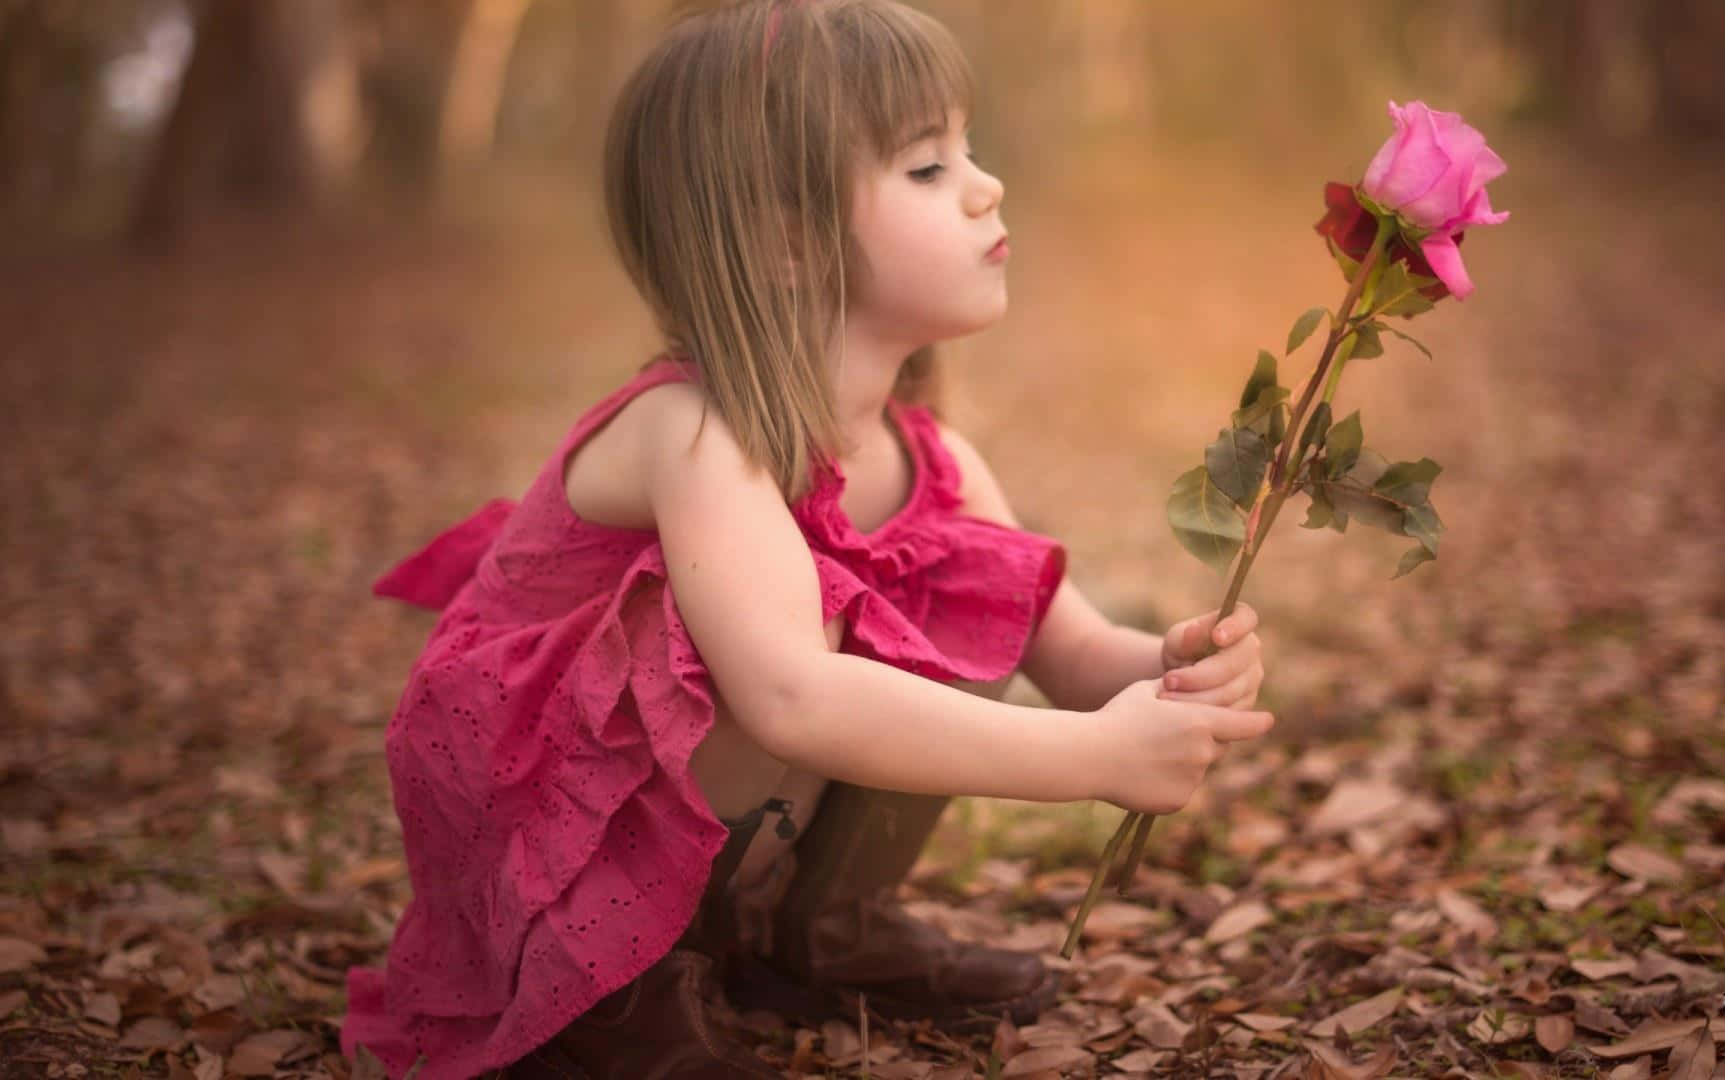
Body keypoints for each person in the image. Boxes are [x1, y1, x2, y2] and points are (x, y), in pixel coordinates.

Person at [341, 1, 1274, 1076]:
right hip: (543, 825)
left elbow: (1067, 652)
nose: (986, 184)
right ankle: (603, 990)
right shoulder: (692, 431)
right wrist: (1097, 759)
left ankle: (815, 928)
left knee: (962, 584)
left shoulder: (935, 462)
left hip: (704, 809)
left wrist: (1166, 672)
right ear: (787, 239)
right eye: (927, 168)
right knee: (772, 638)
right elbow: (789, 694)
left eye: (967, 149)